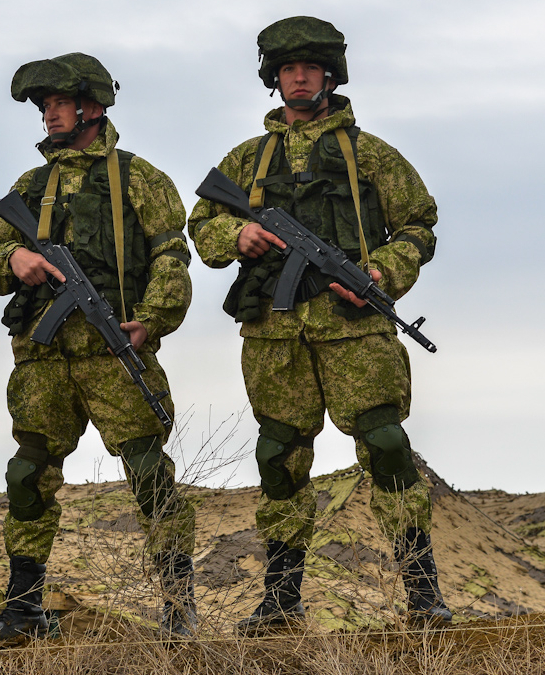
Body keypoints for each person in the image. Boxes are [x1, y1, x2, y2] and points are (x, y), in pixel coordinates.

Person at [187, 17, 452, 629]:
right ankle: (280, 600)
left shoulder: (371, 155)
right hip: (275, 337)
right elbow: (202, 227)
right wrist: (239, 233)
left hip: (355, 329)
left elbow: (419, 224)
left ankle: (423, 594)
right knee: (279, 455)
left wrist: (382, 272)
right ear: (273, 79)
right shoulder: (246, 160)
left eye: (309, 68)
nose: (298, 77)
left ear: (330, 75)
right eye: (287, 69)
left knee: (386, 447)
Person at [0, 53, 197, 640]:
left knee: (150, 473)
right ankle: (22, 607)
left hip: (115, 353)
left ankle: (179, 607)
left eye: (59, 103)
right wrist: (13, 258)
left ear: (92, 107)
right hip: (44, 360)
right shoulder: (30, 187)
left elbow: (172, 258)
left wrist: (150, 322)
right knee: (29, 476)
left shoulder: (140, 178)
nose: (49, 114)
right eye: (44, 105)